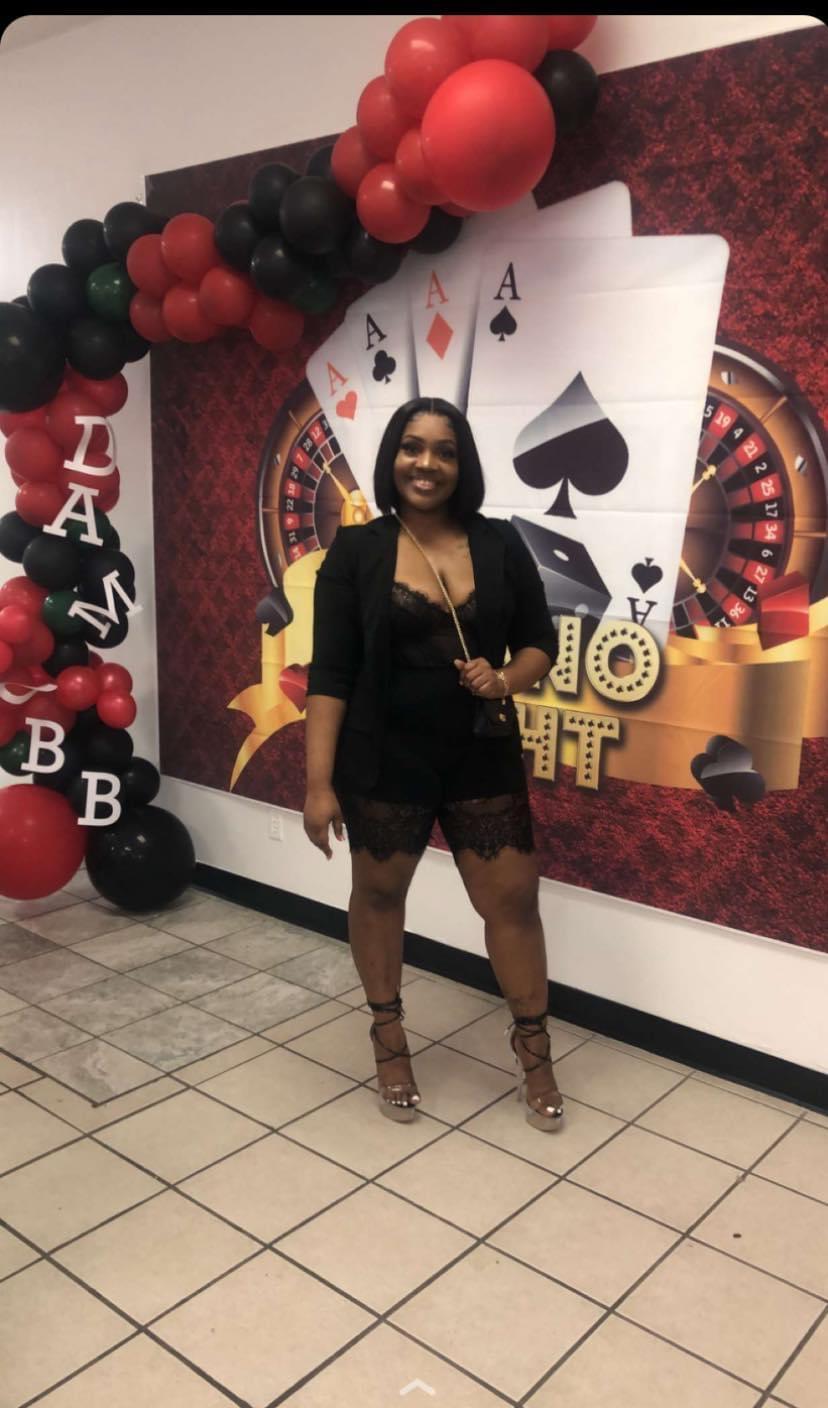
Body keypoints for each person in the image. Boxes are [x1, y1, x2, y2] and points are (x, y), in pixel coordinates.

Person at [303, 396, 564, 1132]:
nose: (427, 464)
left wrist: (504, 679)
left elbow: (539, 643)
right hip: (383, 756)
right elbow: (330, 675)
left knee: (513, 902)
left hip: (480, 750)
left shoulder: (501, 542)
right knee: (380, 894)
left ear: (462, 463)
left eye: (444, 451)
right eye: (412, 447)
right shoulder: (357, 552)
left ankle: (535, 1051)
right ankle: (389, 1039)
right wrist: (318, 784)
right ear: (393, 457)